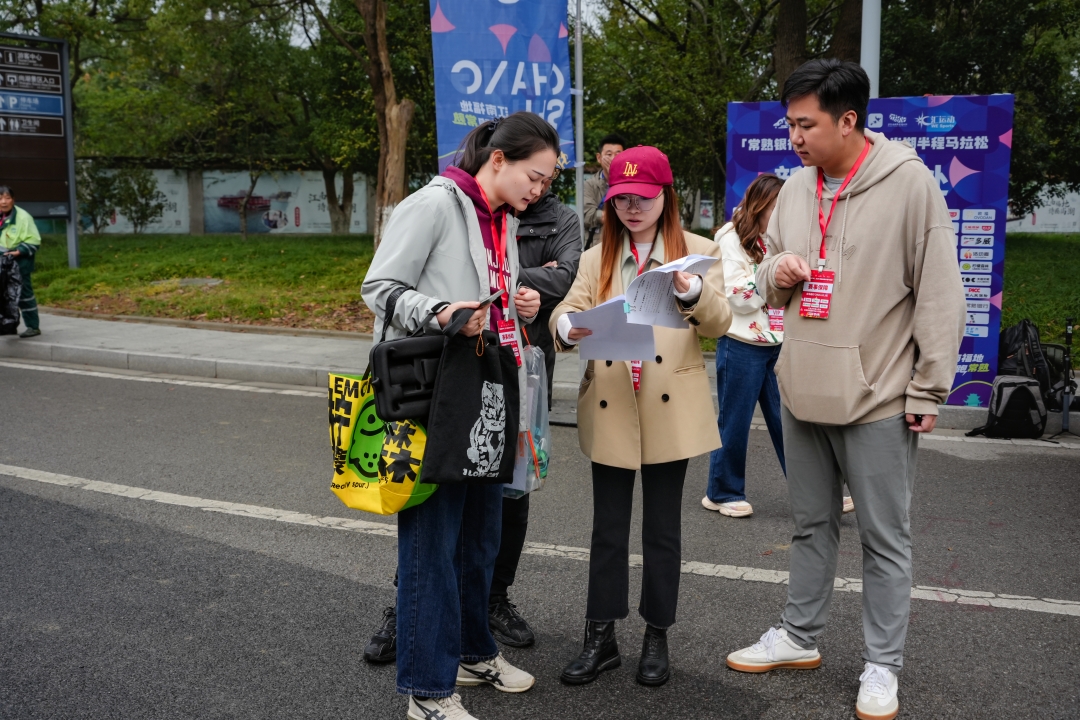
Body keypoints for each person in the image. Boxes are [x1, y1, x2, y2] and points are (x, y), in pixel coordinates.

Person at [724, 60, 965, 720]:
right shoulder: (797, 189)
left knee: (885, 539)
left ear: (849, 120)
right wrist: (779, 269)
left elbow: (939, 294)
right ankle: (798, 636)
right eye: (790, 124)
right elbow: (767, 282)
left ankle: (882, 664)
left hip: (879, 397)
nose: (795, 137)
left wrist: (928, 389)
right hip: (802, 389)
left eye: (806, 124)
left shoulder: (909, 183)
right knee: (811, 526)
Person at [361, 112, 559, 720]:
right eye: (535, 176)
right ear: (498, 159)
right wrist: (443, 311)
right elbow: (379, 287)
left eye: (548, 182)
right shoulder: (434, 204)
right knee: (432, 545)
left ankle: (473, 652)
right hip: (432, 396)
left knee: (480, 539)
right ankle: (426, 690)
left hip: (487, 388)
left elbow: (487, 297)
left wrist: (520, 306)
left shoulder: (502, 219)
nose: (539, 190)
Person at [551, 145, 732, 687]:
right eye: (621, 198)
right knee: (607, 529)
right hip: (611, 401)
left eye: (643, 198)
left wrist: (694, 292)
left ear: (666, 198)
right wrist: (566, 328)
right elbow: (567, 310)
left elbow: (721, 323)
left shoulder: (698, 252)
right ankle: (600, 635)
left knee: (662, 530)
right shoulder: (597, 256)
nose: (631, 208)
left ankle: (657, 635)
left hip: (669, 406)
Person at [702, 174, 786, 518]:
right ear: (760, 205)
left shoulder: (779, 238)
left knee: (790, 422)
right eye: (777, 206)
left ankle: (816, 492)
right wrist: (776, 278)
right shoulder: (730, 237)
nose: (783, 213)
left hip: (778, 341)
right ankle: (722, 492)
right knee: (734, 421)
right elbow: (738, 297)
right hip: (740, 342)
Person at [0, 186, 42, 338]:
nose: (3, 202)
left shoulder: (23, 217)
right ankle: (8, 326)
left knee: (24, 295)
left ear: (13, 200)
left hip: (19, 262)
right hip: (1, 261)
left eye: (7, 198)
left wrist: (19, 251)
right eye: (0, 198)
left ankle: (33, 327)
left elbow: (34, 240)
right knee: (4, 296)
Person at [582, 134, 626, 249]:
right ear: (599, 158)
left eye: (618, 154)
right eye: (609, 154)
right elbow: (587, 216)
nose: (613, 159)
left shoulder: (629, 183)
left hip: (623, 245)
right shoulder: (589, 185)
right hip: (596, 246)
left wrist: (615, 178)